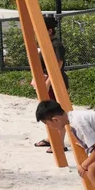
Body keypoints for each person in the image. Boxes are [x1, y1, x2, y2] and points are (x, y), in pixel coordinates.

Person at [32, 15, 69, 153]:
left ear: (49, 31)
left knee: (57, 112)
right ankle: (50, 138)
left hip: (57, 83)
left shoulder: (56, 45)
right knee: (47, 112)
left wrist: (47, 82)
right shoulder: (45, 44)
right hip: (48, 81)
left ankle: (60, 143)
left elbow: (57, 66)